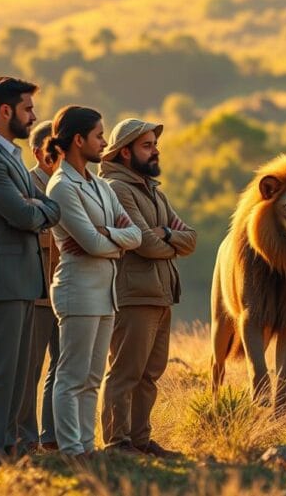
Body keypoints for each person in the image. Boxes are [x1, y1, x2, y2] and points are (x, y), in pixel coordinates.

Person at [0, 76, 61, 472]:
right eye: (27, 109)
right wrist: (36, 209)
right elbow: (24, 214)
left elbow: (49, 207)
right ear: (6, 111)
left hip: (21, 280)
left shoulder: (10, 156)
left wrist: (37, 208)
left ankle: (7, 452)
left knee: (18, 377)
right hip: (0, 280)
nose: (33, 116)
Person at [46, 106, 141, 459]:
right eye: (99, 136)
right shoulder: (61, 186)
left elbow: (135, 235)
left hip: (105, 293)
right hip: (78, 290)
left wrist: (108, 235)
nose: (103, 142)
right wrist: (113, 240)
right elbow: (91, 243)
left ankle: (87, 447)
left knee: (92, 379)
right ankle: (72, 450)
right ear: (78, 140)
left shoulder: (100, 185)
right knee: (72, 376)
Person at [99, 119, 196, 457]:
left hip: (161, 295)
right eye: (147, 145)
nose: (156, 151)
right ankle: (117, 443)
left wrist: (166, 234)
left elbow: (190, 238)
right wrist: (168, 242)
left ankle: (140, 441)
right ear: (125, 152)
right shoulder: (117, 189)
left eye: (155, 144)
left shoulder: (154, 192)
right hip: (134, 295)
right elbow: (145, 244)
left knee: (149, 375)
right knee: (125, 372)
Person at [16, 121, 61, 452]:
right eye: (53, 148)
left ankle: (52, 435)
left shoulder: (69, 182)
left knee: (62, 367)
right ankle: (24, 436)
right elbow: (27, 232)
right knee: (29, 368)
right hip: (36, 290)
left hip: (65, 289)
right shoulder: (25, 184)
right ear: (37, 152)